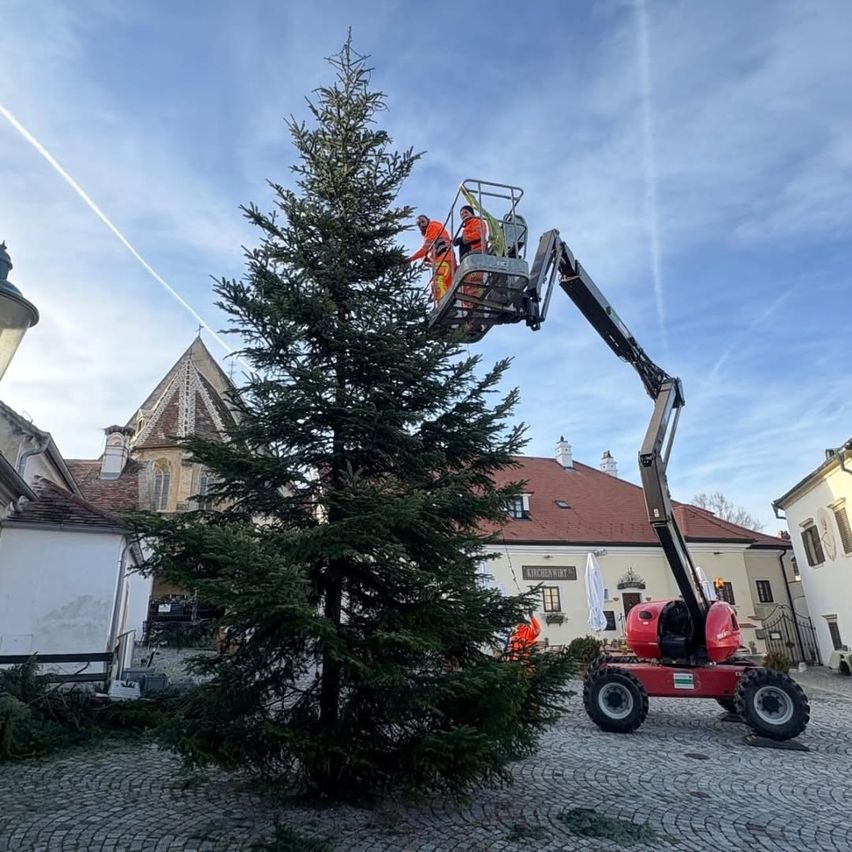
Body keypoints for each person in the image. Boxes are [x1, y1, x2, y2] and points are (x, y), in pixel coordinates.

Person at [408, 214, 456, 303]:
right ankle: (449, 306)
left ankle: (444, 305)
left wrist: (411, 259)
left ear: (428, 220)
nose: (422, 225)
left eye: (423, 221)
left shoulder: (432, 226)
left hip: (444, 259)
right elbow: (434, 248)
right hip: (447, 259)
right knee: (446, 286)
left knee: (438, 281)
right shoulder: (434, 230)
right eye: (419, 224)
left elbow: (425, 248)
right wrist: (429, 260)